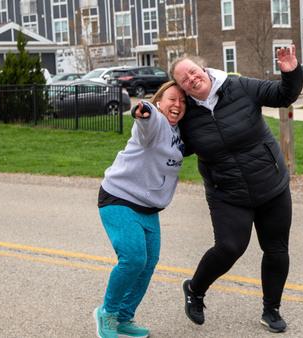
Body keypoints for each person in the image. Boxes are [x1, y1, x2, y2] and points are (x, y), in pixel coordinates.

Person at [171, 45, 303, 333]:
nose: (192, 79)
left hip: (271, 183)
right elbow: (169, 144)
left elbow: (283, 95)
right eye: (184, 80)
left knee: (276, 249)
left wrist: (290, 71)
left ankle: (271, 310)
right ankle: (195, 290)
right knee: (230, 247)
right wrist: (149, 116)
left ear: (203, 68)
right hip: (227, 193)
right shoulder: (187, 117)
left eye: (193, 71)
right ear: (182, 88)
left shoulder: (239, 87)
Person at [93, 81, 186, 338]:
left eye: (182, 101)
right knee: (133, 258)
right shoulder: (154, 121)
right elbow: (145, 117)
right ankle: (107, 313)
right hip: (119, 197)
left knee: (147, 263)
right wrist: (142, 110)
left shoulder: (179, 132)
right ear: (160, 102)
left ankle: (124, 317)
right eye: (171, 99)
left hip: (148, 207)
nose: (177, 104)